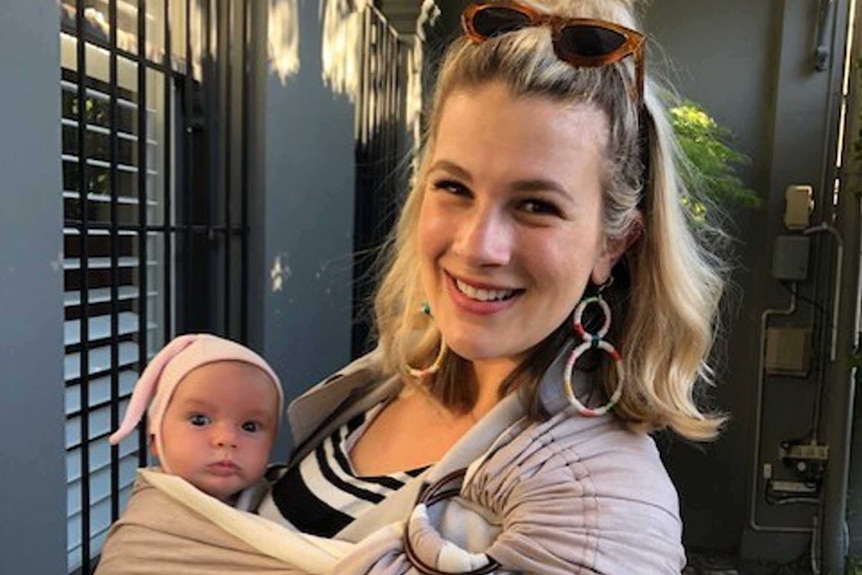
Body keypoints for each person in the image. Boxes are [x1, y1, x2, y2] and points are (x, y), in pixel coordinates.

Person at [254, 0, 728, 573]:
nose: (478, 246)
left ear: (614, 244)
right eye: (454, 187)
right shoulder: (388, 378)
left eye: (536, 205)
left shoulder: (604, 508)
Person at [94, 333, 285, 573]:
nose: (226, 439)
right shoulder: (145, 533)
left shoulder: (283, 498)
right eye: (199, 420)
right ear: (155, 438)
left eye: (250, 426)